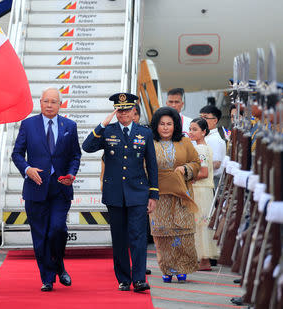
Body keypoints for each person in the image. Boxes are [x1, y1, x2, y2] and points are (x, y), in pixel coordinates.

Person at [82, 93, 158, 292]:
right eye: (119, 110)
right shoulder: (108, 131)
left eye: (126, 110)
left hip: (138, 193)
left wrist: (153, 194)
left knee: (138, 237)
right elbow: (87, 147)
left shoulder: (145, 133)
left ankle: (139, 279)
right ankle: (124, 278)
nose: (123, 114)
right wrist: (102, 125)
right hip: (115, 194)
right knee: (119, 238)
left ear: (134, 111)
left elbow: (152, 165)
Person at [11, 87, 81, 292]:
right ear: (40, 103)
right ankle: (48, 277)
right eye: (46, 101)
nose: (49, 105)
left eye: (54, 102)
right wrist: (27, 169)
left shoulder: (69, 125)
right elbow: (16, 154)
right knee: (40, 235)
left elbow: (75, 155)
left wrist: (71, 174)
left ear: (60, 105)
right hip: (36, 188)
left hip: (60, 189)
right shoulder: (28, 125)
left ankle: (59, 265)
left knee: (57, 230)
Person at [149, 107, 201, 283]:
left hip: (181, 194)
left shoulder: (184, 142)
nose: (165, 128)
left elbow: (196, 163)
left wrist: (185, 169)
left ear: (175, 125)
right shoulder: (150, 142)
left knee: (183, 233)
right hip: (159, 196)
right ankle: (167, 268)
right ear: (156, 126)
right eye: (161, 124)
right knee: (163, 235)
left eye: (169, 124)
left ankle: (182, 267)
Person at [188, 118, 218, 271]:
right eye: (190, 129)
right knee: (203, 223)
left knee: (200, 224)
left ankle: (204, 260)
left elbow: (204, 172)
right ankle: (204, 259)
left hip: (200, 190)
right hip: (205, 190)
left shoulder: (200, 149)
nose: (191, 132)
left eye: (194, 129)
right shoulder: (205, 147)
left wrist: (187, 176)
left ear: (204, 132)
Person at [199, 105, 226, 188]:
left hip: (212, 181)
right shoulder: (206, 136)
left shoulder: (214, 139)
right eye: (200, 117)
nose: (201, 121)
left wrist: (196, 169)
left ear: (215, 120)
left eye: (205, 118)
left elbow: (216, 163)